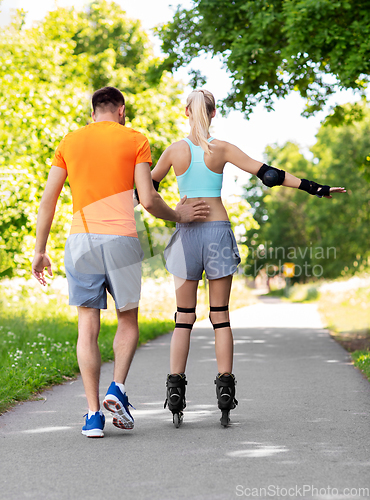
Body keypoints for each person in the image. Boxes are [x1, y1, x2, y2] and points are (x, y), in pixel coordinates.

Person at [149, 89, 346, 427]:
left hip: (186, 235)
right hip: (216, 233)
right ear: (213, 113)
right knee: (220, 316)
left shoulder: (174, 151)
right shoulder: (221, 148)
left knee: (184, 317)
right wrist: (316, 188)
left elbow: (145, 190)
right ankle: (225, 389)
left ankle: (175, 390)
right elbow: (269, 174)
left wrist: (170, 211)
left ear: (185, 112)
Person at [31, 86, 209, 438]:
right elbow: (147, 197)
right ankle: (117, 388)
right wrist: (179, 215)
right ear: (122, 110)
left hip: (80, 240)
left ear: (92, 112)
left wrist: (40, 250)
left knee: (88, 326)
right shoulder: (135, 139)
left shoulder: (70, 141)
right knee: (127, 318)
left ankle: (93, 414)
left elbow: (48, 200)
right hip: (122, 239)